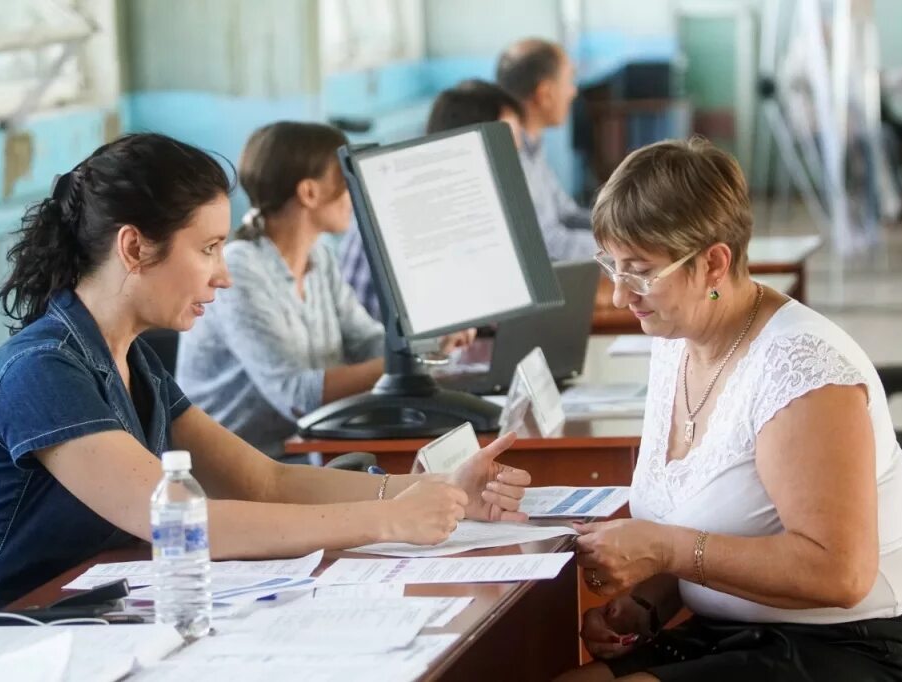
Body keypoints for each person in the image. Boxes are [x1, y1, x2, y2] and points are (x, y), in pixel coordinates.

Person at [0, 133, 531, 632]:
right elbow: (188, 523)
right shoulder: (42, 371)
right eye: (207, 249)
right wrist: (390, 520)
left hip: (69, 631)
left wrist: (427, 490)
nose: (222, 276)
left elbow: (266, 479)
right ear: (134, 247)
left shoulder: (133, 362)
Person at [554, 137, 902, 682]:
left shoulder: (801, 370)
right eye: (612, 266)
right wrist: (648, 603)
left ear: (713, 263)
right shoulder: (676, 340)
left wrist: (665, 550)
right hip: (733, 628)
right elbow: (709, 519)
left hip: (851, 644)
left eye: (639, 271)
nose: (619, 295)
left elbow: (841, 574)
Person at [176, 122, 474, 456]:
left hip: (305, 453)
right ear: (309, 192)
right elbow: (296, 397)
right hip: (235, 466)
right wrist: (412, 358)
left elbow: (365, 342)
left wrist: (428, 339)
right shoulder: (242, 271)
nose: (352, 193)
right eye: (343, 180)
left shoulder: (320, 257)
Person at [338, 79, 528, 320]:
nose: (516, 166)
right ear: (469, 143)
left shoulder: (467, 204)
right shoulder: (410, 210)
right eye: (508, 150)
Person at [496, 37, 598, 262]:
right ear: (545, 93)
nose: (573, 92)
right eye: (569, 80)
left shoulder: (533, 145)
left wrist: (628, 231)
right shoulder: (510, 158)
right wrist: (625, 251)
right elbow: (549, 244)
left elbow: (567, 213)